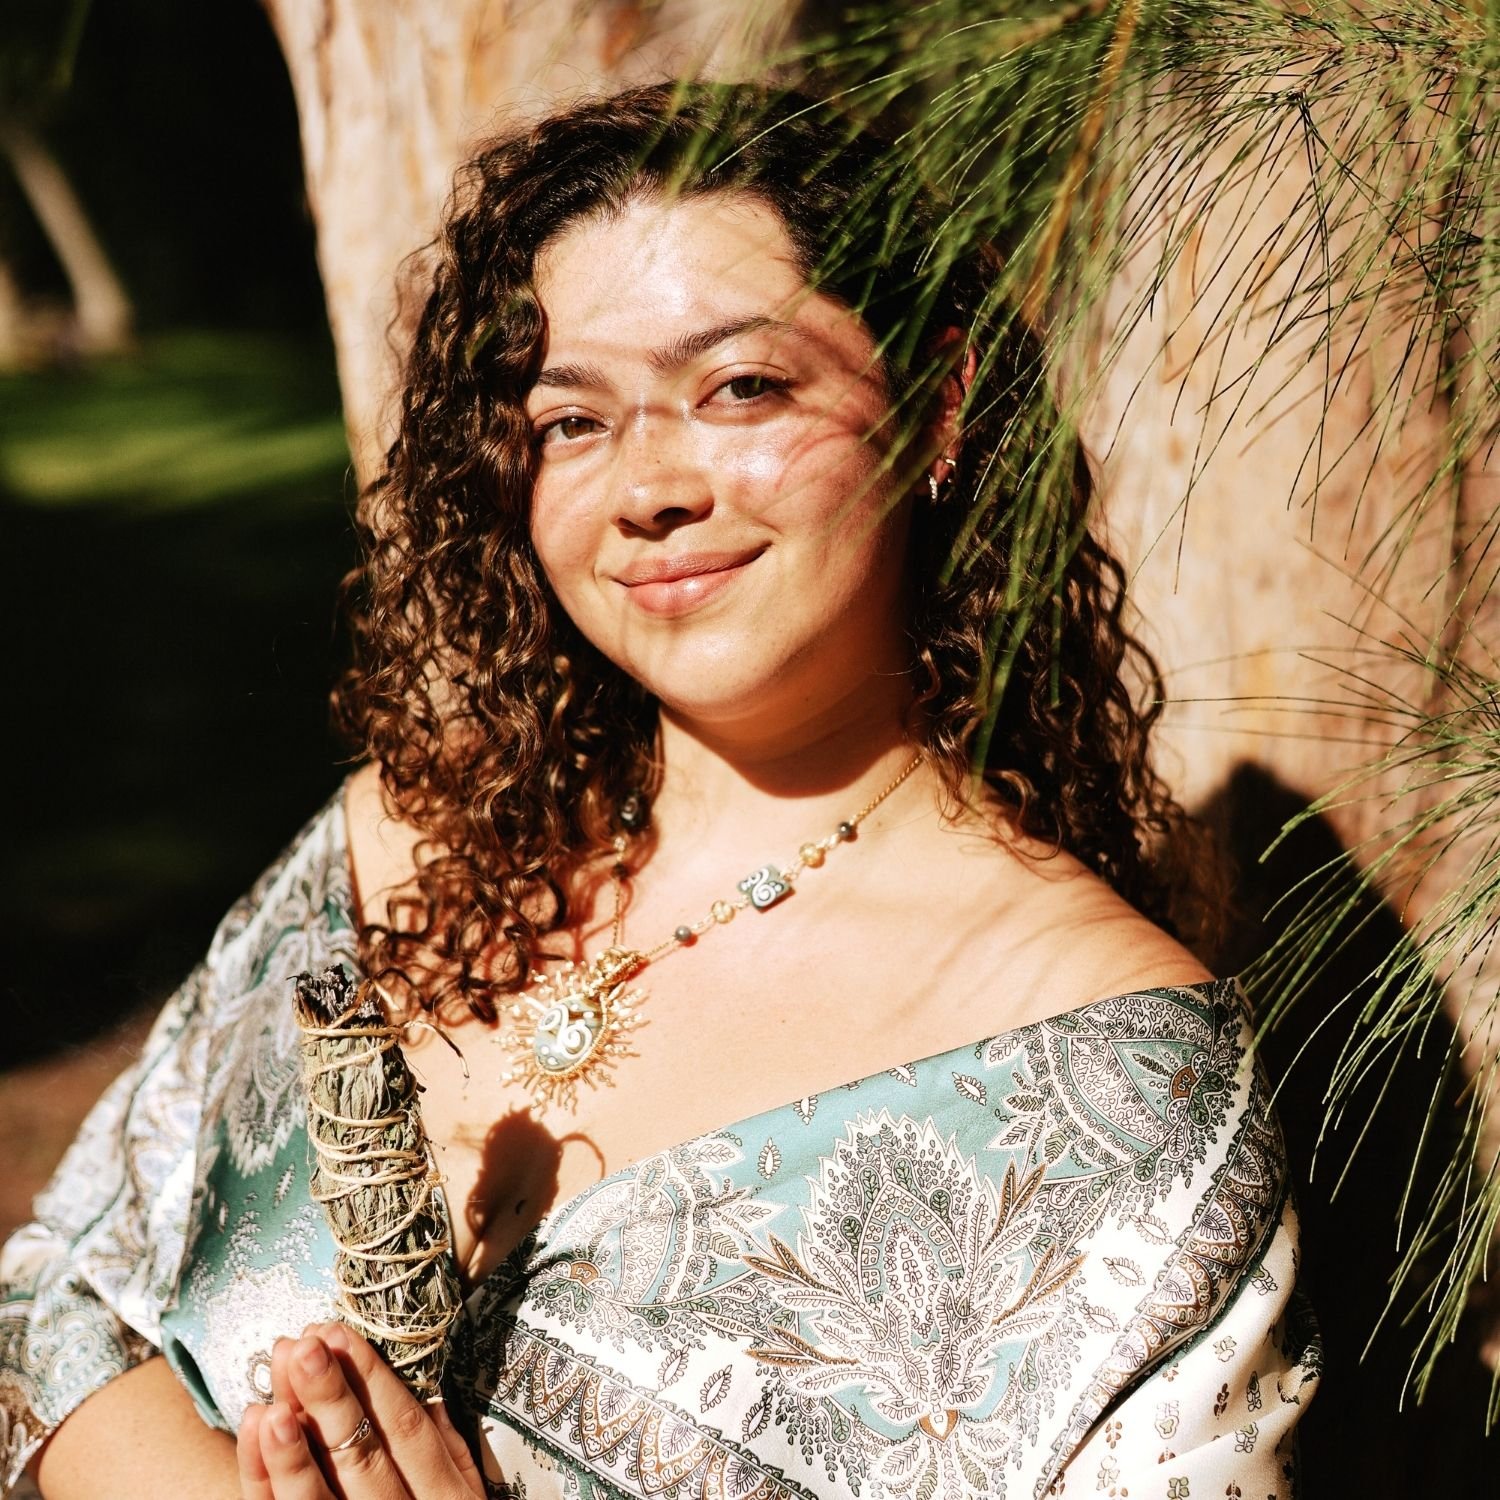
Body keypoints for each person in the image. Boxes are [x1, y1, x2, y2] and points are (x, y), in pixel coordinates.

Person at [1, 83, 1319, 1500]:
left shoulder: (1112, 1085)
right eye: (573, 422)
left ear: (935, 412)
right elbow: (54, 1308)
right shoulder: (394, 839)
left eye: (743, 388)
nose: (647, 488)